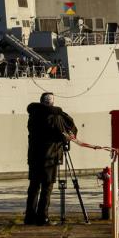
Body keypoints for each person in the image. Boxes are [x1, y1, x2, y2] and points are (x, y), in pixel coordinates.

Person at [25, 92, 76, 226]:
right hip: (50, 157)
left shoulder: (33, 114)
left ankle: (29, 217)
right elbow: (64, 134)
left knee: (34, 186)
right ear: (52, 102)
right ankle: (43, 217)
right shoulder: (55, 116)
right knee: (47, 187)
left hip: (34, 156)